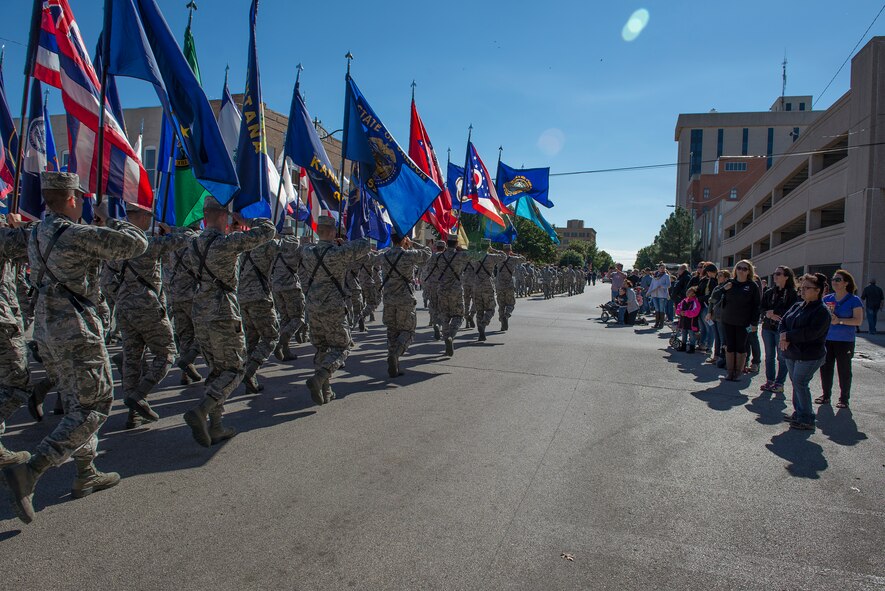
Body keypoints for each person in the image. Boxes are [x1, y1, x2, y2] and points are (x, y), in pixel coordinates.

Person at [3, 172, 148, 524]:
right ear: (71, 199)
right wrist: (112, 218)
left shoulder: (35, 233)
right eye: (80, 197)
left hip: (45, 328)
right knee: (95, 403)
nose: (83, 202)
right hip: (76, 328)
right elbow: (136, 244)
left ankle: (87, 471)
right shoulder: (76, 234)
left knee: (74, 399)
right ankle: (32, 470)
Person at [182, 198, 276, 448]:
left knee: (215, 369)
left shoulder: (193, 243)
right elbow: (268, 230)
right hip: (223, 311)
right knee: (235, 369)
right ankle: (203, 409)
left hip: (200, 312)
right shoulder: (226, 244)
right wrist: (245, 220)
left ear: (205, 216)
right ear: (224, 217)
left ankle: (216, 425)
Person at [114, 202, 193, 428]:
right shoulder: (147, 243)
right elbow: (186, 238)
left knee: (132, 356)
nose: (151, 219)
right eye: (148, 215)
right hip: (147, 306)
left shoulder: (116, 243)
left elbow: (108, 281)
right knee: (167, 353)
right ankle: (140, 392)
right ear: (138, 216)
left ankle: (133, 411)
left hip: (123, 306)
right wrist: (172, 230)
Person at [300, 216, 370, 405]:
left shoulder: (307, 252)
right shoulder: (338, 253)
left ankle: (326, 389)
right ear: (332, 232)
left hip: (312, 306)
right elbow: (365, 245)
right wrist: (344, 241)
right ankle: (321, 376)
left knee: (322, 347)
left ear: (317, 231)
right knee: (341, 347)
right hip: (333, 306)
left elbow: (302, 247)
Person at [375, 234, 432, 376]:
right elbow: (428, 253)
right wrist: (413, 244)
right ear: (404, 240)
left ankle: (393, 362)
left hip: (388, 299)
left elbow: (373, 257)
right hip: (405, 299)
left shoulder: (385, 255)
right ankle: (395, 355)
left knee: (392, 331)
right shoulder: (409, 255)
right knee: (408, 331)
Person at [779, 273, 831, 430]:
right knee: (796, 383)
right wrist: (783, 336)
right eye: (801, 288)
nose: (802, 291)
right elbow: (784, 321)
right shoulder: (798, 305)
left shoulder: (822, 311)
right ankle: (799, 413)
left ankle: (807, 418)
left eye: (807, 288)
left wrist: (788, 336)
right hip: (792, 352)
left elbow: (811, 333)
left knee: (800, 382)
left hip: (810, 355)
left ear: (818, 290)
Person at [817, 269, 864, 408]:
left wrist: (840, 321)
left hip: (845, 341)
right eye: (833, 279)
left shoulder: (854, 300)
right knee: (825, 368)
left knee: (844, 370)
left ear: (846, 283)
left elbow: (858, 321)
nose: (834, 282)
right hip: (828, 339)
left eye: (838, 280)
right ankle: (825, 395)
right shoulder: (827, 299)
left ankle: (844, 399)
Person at [720, 259, 761, 382]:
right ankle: (730, 372)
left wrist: (754, 323)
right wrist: (724, 289)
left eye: (745, 269)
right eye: (739, 268)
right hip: (728, 320)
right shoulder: (730, 283)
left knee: (741, 346)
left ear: (749, 271)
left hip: (745, 323)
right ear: (735, 270)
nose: (741, 271)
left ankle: (738, 372)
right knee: (730, 346)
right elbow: (715, 296)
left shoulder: (752, 286)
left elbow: (756, 306)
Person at [759, 266, 798, 395]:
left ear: (787, 276)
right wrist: (767, 314)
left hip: (782, 330)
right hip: (767, 327)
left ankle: (779, 383)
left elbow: (793, 310)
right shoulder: (770, 292)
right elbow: (762, 307)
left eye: (779, 274)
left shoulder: (792, 293)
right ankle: (770, 380)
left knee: (782, 357)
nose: (775, 276)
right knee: (769, 356)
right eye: (774, 273)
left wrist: (775, 312)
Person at [705, 269, 731, 366]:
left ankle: (722, 357)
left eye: (720, 275)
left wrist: (712, 300)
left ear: (726, 278)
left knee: (722, 338)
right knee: (717, 337)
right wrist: (709, 313)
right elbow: (711, 302)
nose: (718, 277)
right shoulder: (717, 288)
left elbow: (715, 299)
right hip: (714, 315)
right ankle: (715, 356)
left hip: (722, 316)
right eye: (718, 275)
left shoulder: (727, 288)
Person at [675, 286, 702, 352]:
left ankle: (692, 348)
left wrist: (686, 313)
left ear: (694, 294)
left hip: (691, 321)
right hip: (684, 321)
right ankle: (683, 346)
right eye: (688, 291)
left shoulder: (695, 302)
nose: (688, 292)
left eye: (690, 292)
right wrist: (680, 312)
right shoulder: (684, 301)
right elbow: (678, 308)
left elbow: (695, 312)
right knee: (684, 333)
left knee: (692, 335)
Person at [647, 262, 671, 329]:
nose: (662, 269)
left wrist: (662, 286)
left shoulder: (666, 276)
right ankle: (656, 323)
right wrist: (648, 292)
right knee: (657, 309)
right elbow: (652, 285)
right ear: (658, 268)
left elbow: (669, 285)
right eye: (661, 268)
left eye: (664, 268)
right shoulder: (655, 276)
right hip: (654, 294)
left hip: (662, 295)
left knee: (661, 309)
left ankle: (661, 324)